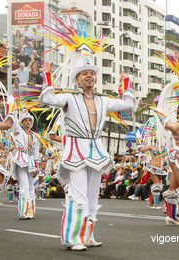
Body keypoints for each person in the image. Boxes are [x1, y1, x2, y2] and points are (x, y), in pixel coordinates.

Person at [40, 55, 137, 250]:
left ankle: (88, 235)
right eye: (85, 74)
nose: (89, 76)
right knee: (78, 195)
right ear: (77, 79)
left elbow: (128, 105)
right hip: (75, 153)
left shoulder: (103, 101)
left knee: (93, 197)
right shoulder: (69, 98)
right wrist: (48, 75)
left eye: (92, 73)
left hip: (96, 152)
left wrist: (126, 82)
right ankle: (73, 238)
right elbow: (48, 98)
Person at [0, 112, 41, 219]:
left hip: (31, 161)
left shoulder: (35, 137)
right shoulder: (18, 131)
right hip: (21, 160)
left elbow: (36, 153)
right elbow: (12, 121)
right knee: (24, 185)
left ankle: (31, 211)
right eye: (25, 120)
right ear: (22, 122)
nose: (28, 122)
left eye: (29, 120)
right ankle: (24, 212)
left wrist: (37, 167)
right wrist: (13, 109)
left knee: (31, 187)